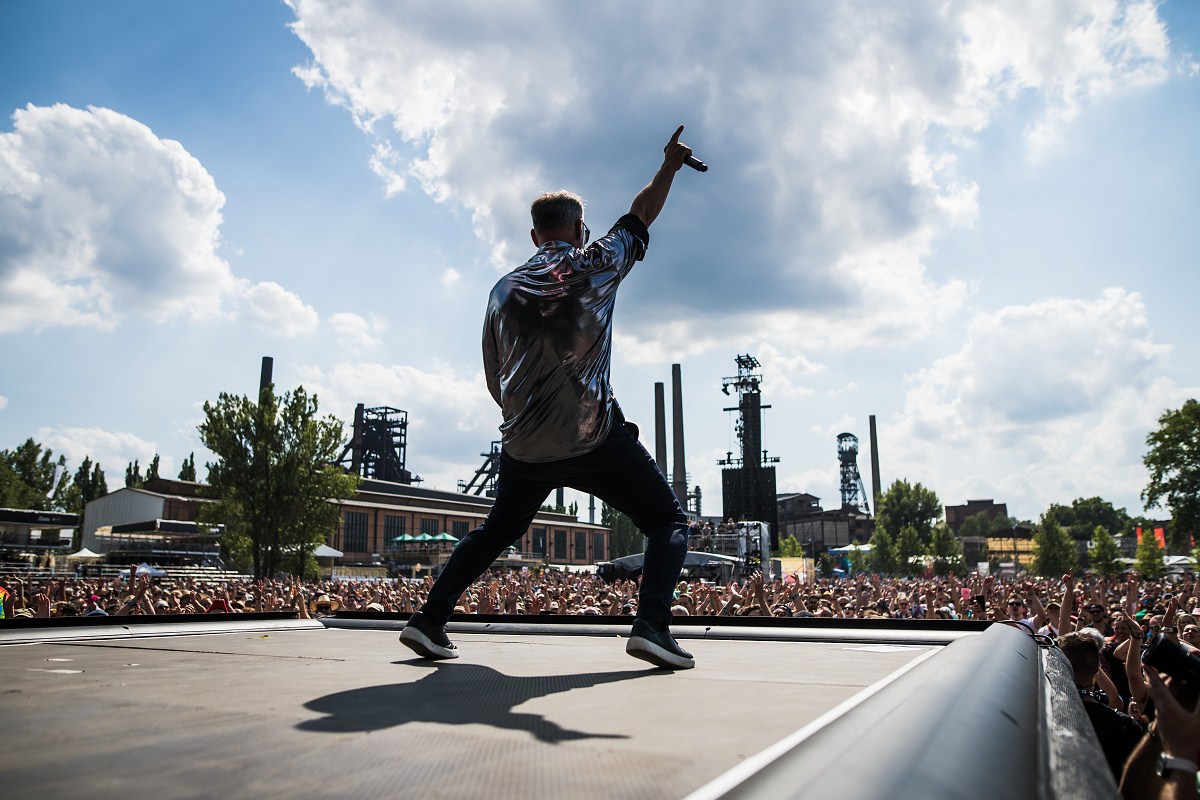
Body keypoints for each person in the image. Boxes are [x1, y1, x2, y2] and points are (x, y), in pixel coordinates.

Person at [400, 126, 698, 669]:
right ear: (580, 231)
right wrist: (669, 167)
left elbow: (494, 378)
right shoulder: (598, 262)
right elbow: (641, 215)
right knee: (669, 522)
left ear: (535, 236)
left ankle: (429, 618)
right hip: (592, 438)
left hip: (523, 445)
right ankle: (652, 625)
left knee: (496, 532)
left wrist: (526, 422)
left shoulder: (502, 290)